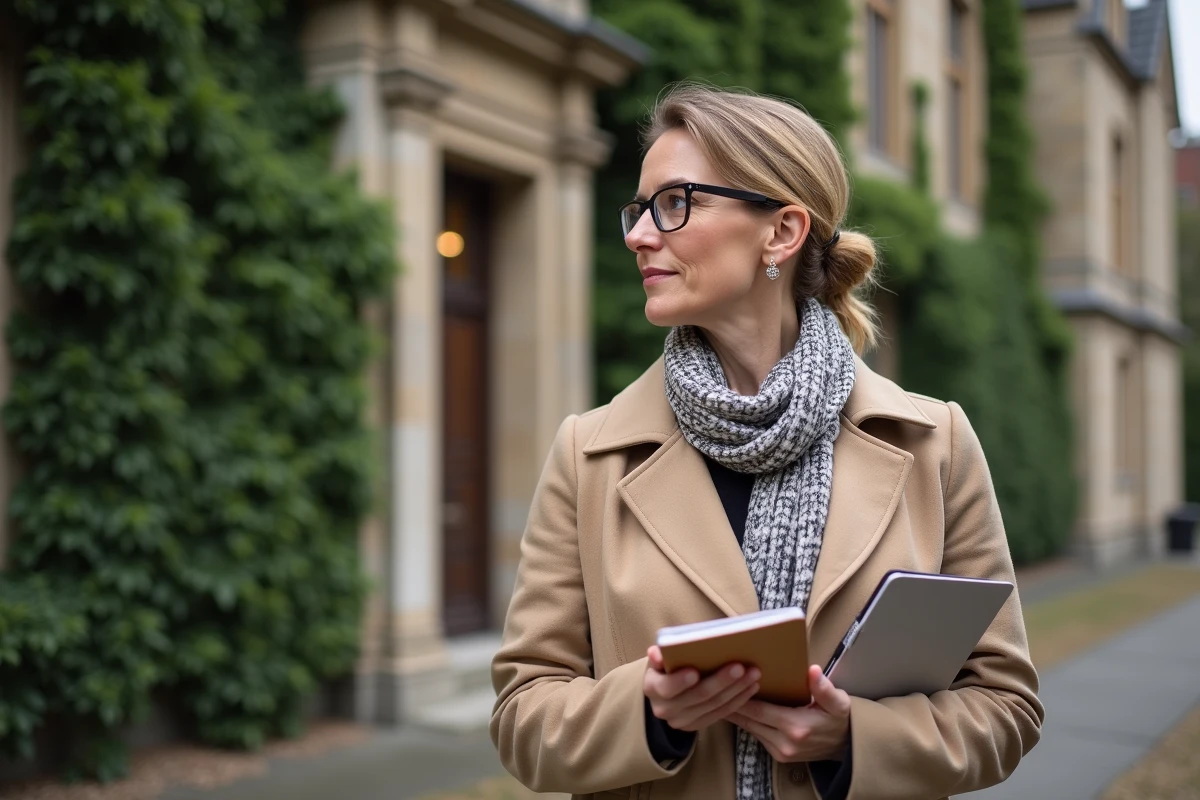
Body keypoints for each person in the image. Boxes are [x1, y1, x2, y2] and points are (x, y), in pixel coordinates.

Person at [490, 83, 1044, 800]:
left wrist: (854, 741)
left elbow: (1006, 709)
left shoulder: (936, 443)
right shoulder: (587, 454)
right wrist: (652, 715)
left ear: (780, 232)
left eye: (675, 203)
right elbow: (521, 719)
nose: (637, 234)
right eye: (639, 208)